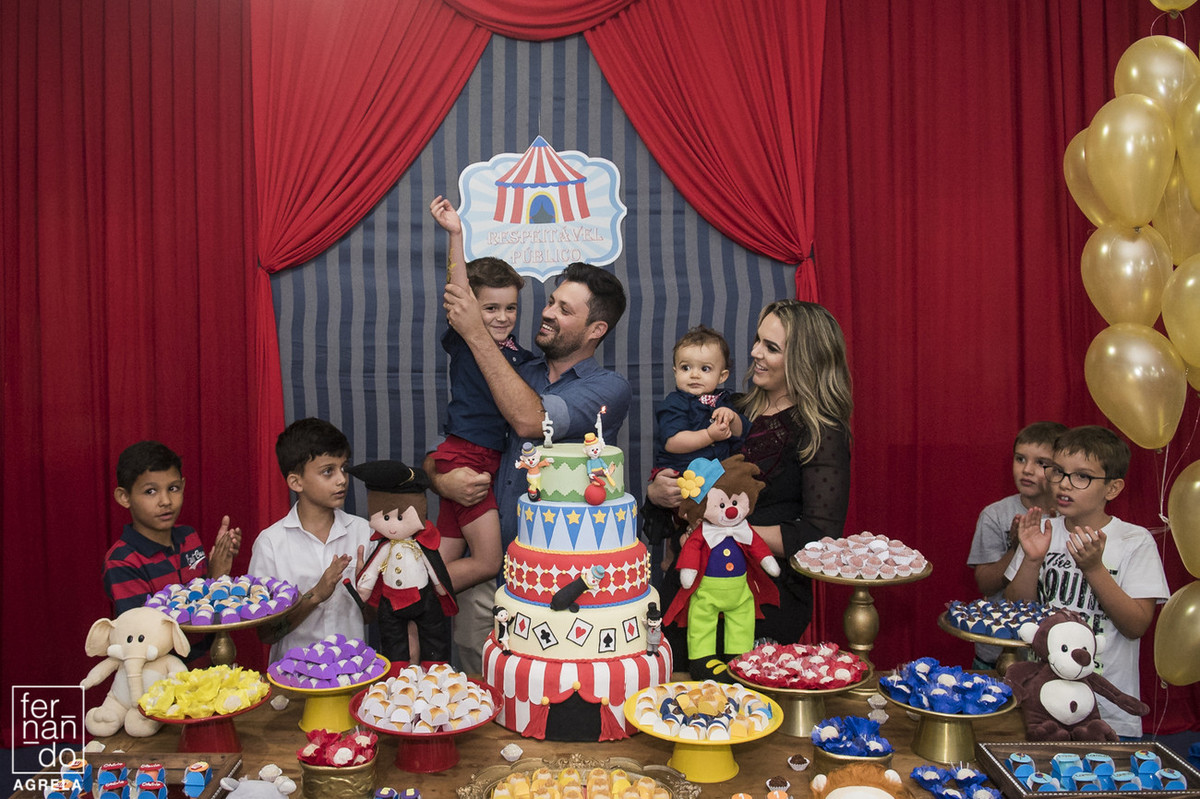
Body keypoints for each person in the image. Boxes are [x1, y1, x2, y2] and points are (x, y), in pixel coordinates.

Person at [429, 261, 631, 673]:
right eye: (552, 302)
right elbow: (462, 438)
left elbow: (529, 420)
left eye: (565, 310)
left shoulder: (607, 388)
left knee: (540, 689)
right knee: (474, 681)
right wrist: (438, 477)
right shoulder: (515, 366)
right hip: (485, 573)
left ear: (596, 330)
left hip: (557, 581)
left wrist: (474, 331)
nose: (548, 312)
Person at [648, 300, 852, 672]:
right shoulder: (727, 411)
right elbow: (681, 498)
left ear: (805, 359)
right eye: (759, 341)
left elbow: (820, 534)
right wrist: (658, 494)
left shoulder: (821, 432)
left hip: (763, 594)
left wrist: (731, 531)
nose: (755, 352)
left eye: (771, 348)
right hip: (692, 581)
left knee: (743, 700)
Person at [1005, 425, 1169, 738]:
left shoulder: (1134, 540)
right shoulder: (1042, 530)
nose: (1064, 485)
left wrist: (1094, 568)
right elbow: (1017, 609)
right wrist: (1032, 559)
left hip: (1106, 710)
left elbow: (1136, 625)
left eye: (1082, 476)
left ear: (1113, 488)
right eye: (1058, 472)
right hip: (1040, 704)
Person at [428, 196, 531, 595]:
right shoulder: (467, 339)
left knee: (442, 566)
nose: (502, 317)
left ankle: (416, 614)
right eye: (490, 308)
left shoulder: (519, 354)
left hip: (488, 461)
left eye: (510, 308)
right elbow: (458, 290)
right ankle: (403, 599)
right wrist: (456, 233)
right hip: (467, 458)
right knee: (489, 561)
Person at [248, 418, 371, 663]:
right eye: (328, 471)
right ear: (296, 482)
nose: (342, 480)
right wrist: (315, 595)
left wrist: (368, 595)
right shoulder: (270, 543)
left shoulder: (364, 532)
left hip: (353, 675)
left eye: (344, 468)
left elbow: (370, 617)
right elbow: (267, 633)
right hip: (293, 680)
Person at [965, 421, 1067, 668]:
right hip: (998, 651)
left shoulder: (1073, 516)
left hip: (1055, 652)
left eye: (1041, 463)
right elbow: (985, 583)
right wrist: (1016, 547)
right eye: (1020, 459)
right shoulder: (996, 514)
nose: (1027, 470)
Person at [103, 440, 241, 615]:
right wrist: (215, 581)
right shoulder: (122, 561)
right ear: (124, 497)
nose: (166, 501)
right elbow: (146, 632)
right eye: (150, 491)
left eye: (173, 488)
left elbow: (206, 604)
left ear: (183, 486)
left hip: (207, 643)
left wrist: (217, 571)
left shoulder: (189, 537)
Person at [654, 325, 747, 471]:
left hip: (719, 471)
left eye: (705, 369)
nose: (694, 375)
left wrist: (733, 418)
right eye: (686, 368)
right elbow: (672, 442)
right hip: (683, 473)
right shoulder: (674, 404)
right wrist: (709, 435)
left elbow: (740, 434)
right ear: (675, 372)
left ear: (722, 376)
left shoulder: (723, 401)